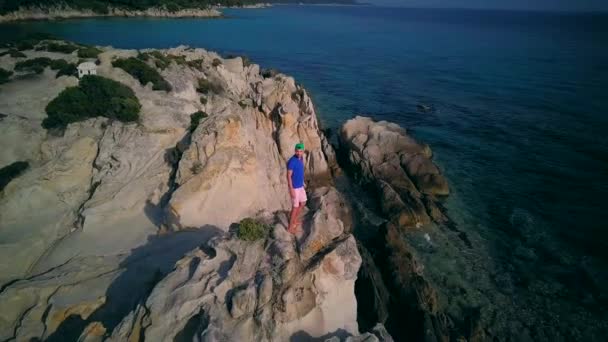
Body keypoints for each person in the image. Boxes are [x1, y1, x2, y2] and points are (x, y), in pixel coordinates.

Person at [287, 142, 306, 234]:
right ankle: (290, 227)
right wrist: (291, 189)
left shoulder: (301, 158)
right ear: (295, 151)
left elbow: (300, 171)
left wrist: (303, 182)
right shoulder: (292, 161)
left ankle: (295, 220)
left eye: (300, 151)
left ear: (303, 151)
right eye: (297, 151)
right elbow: (289, 176)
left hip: (301, 186)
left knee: (303, 203)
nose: (299, 153)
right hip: (295, 188)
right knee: (295, 207)